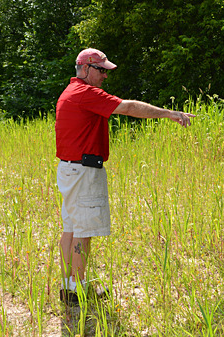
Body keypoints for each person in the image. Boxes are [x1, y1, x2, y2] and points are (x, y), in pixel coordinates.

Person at [56, 48, 194, 304]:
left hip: (70, 169)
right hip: (83, 171)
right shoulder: (85, 93)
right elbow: (128, 107)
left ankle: (68, 286)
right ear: (85, 69)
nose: (105, 76)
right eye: (101, 70)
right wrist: (170, 113)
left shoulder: (70, 92)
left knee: (72, 228)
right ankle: (77, 290)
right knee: (83, 231)